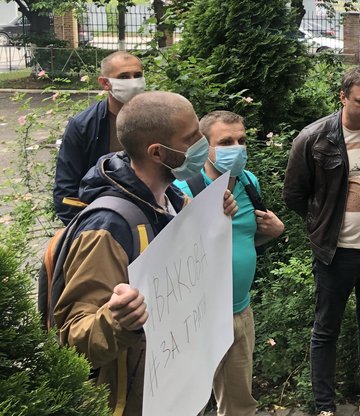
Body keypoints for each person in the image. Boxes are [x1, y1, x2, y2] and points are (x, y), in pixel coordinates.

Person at [53, 91, 236, 415]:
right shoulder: (106, 230)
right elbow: (74, 339)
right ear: (158, 153)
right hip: (131, 402)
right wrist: (117, 320)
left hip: (174, 392)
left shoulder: (173, 202)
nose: (202, 143)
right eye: (192, 137)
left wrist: (213, 222)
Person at [283, 67, 360, 416]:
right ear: (343, 97)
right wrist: (321, 226)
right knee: (326, 330)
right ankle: (325, 407)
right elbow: (294, 195)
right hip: (337, 253)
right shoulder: (314, 137)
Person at [173, 110, 284, 415]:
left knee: (239, 403)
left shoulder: (249, 183)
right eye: (225, 142)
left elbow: (244, 240)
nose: (236, 147)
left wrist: (273, 233)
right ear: (203, 147)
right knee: (186, 401)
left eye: (241, 140)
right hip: (197, 317)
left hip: (240, 311)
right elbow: (172, 259)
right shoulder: (181, 190)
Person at [53, 51, 147, 224]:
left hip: (151, 218)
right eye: (124, 77)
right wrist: (91, 230)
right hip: (104, 224)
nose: (133, 82)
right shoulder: (83, 126)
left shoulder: (156, 119)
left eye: (138, 75)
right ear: (105, 83)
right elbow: (65, 194)